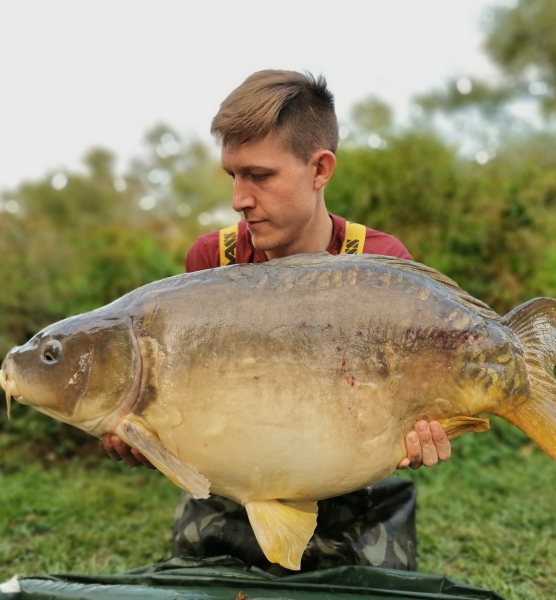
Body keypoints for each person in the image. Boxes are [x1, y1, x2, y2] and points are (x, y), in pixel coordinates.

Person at [102, 70, 451, 574]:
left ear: (320, 169)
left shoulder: (378, 265)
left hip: (350, 483)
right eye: (233, 176)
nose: (239, 198)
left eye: (259, 176)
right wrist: (142, 432)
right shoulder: (212, 260)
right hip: (237, 486)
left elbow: (415, 401)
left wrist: (424, 430)